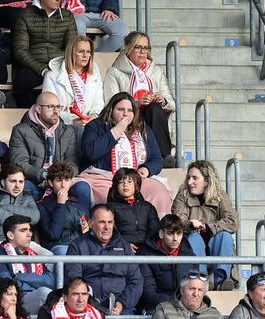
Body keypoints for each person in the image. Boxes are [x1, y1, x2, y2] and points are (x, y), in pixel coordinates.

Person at [77, 92, 172, 216]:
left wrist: (146, 169)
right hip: (104, 178)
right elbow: (91, 152)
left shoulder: (143, 128)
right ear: (111, 110)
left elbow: (156, 158)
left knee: (158, 191)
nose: (125, 114)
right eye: (120, 109)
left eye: (130, 110)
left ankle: (157, 232)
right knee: (108, 195)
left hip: (135, 179)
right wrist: (117, 130)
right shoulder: (95, 126)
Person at [70, 204, 142, 319]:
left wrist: (122, 303)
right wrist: (93, 305)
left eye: (110, 222)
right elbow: (73, 282)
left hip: (123, 306)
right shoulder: (77, 246)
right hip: (94, 308)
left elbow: (137, 280)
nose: (107, 227)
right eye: (102, 222)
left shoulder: (124, 246)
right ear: (91, 223)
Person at [103, 31, 175, 166]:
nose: (143, 52)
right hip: (128, 118)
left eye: (146, 48)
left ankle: (164, 157)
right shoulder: (114, 72)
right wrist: (136, 103)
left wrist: (162, 100)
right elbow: (111, 105)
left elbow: (172, 104)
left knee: (154, 107)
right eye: (138, 47)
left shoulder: (156, 72)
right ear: (128, 48)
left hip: (153, 116)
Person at [171, 160, 239, 289]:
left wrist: (209, 227)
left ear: (207, 181)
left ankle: (222, 281)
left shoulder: (220, 196)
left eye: (195, 178)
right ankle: (200, 280)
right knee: (193, 237)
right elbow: (177, 219)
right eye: (188, 177)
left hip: (214, 239)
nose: (190, 182)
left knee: (225, 236)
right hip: (192, 239)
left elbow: (233, 221)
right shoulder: (182, 195)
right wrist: (190, 225)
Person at [14, 0, 76, 106]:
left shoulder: (67, 16)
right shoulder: (25, 15)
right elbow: (20, 51)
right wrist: (42, 69)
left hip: (59, 64)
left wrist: (62, 66)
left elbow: (72, 48)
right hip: (34, 65)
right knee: (22, 82)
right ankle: (29, 119)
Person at [0, 215, 57, 318]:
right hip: (16, 303)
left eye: (30, 230)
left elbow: (51, 281)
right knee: (44, 293)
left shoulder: (33, 255)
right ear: (11, 235)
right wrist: (36, 283)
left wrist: (20, 277)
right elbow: (8, 288)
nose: (29, 234)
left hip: (35, 300)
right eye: (23, 230)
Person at [9, 91, 80, 188]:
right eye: (51, 107)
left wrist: (61, 178)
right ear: (38, 109)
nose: (56, 111)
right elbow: (20, 164)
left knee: (82, 188)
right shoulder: (20, 130)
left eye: (58, 107)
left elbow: (72, 162)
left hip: (61, 181)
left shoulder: (68, 131)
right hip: (34, 180)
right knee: (26, 187)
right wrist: (44, 175)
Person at [42, 32, 104, 127]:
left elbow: (99, 103)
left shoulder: (95, 74)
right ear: (71, 53)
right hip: (62, 125)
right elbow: (49, 108)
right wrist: (72, 120)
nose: (85, 55)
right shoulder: (52, 76)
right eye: (81, 51)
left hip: (90, 123)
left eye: (88, 51)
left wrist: (93, 116)